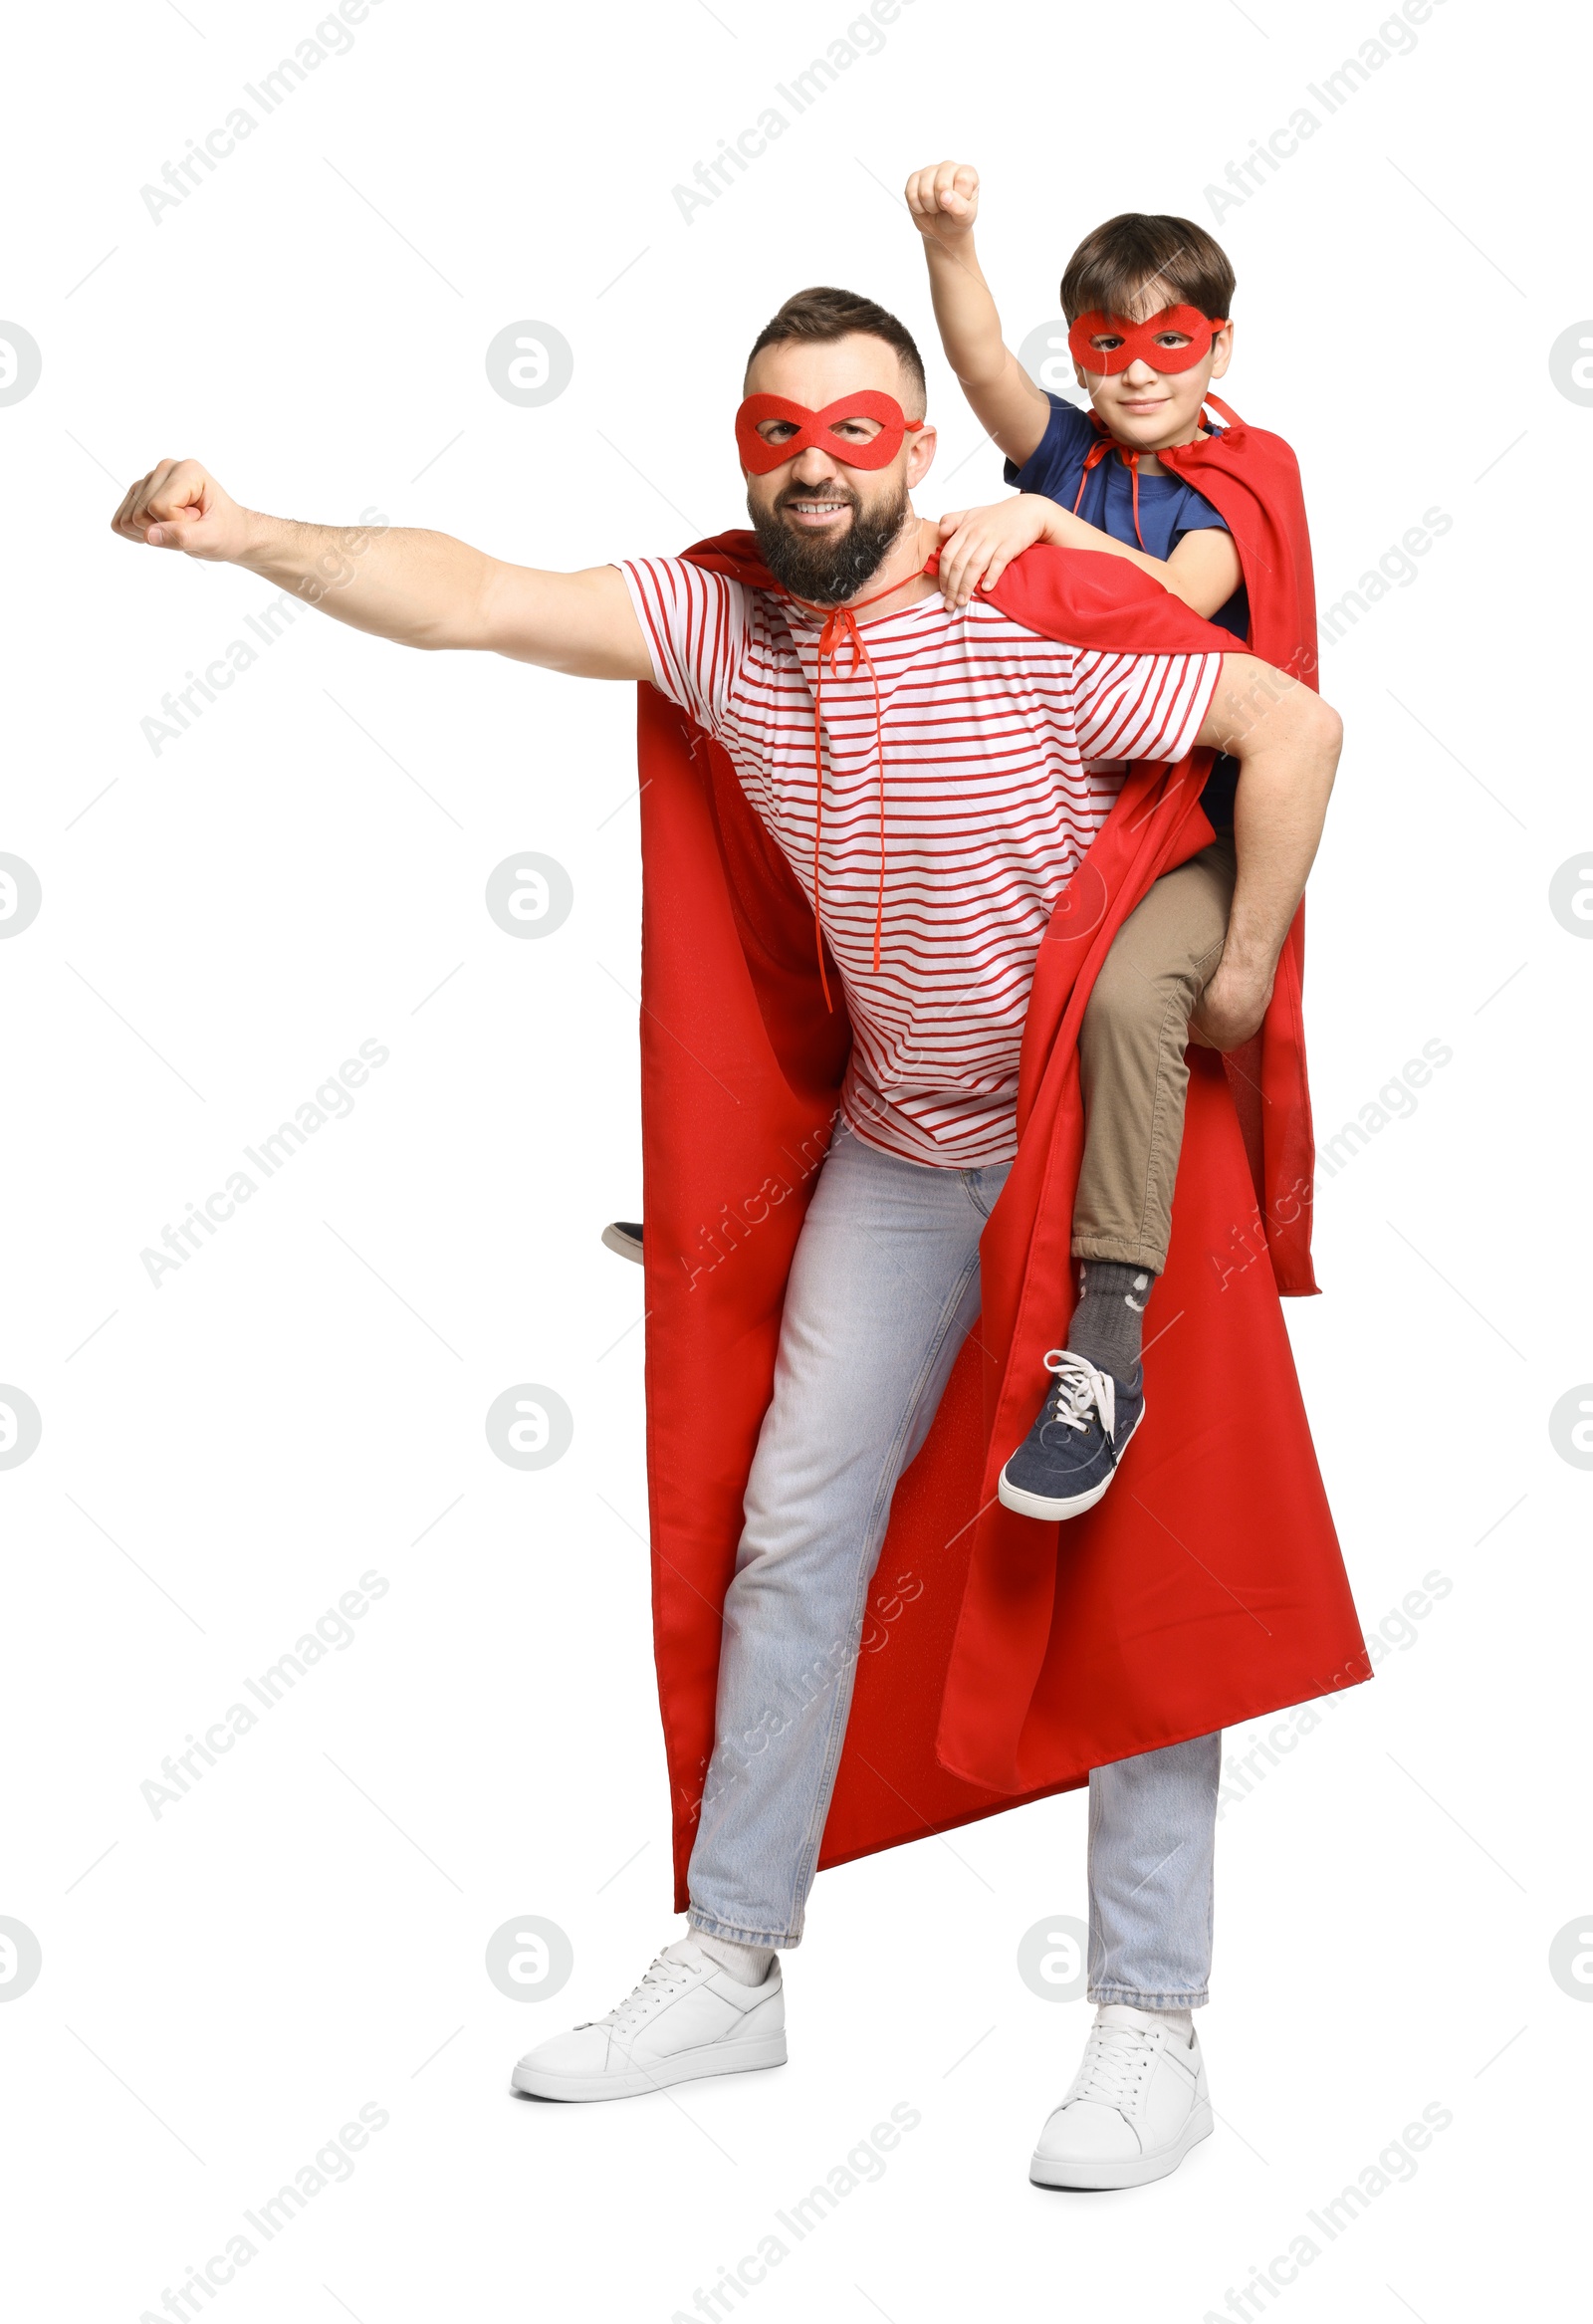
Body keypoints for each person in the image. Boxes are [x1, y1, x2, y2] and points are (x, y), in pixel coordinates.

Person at [109, 284, 1342, 2189]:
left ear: (920, 452)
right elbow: (476, 594)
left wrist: (1241, 967)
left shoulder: (1025, 612)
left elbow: (1285, 719)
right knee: (789, 1526)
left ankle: (1150, 2022)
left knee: (1134, 1571)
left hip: (1095, 1148)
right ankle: (735, 1953)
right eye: (779, 430)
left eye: (859, 430)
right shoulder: (715, 620)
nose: (814, 463)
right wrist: (253, 532)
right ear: (743, 446)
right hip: (898, 1150)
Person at [906, 159, 1302, 1522]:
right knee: (901, 871)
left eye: (1171, 344)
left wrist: (1041, 520)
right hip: (1075, 807)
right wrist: (949, 239)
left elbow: (1180, 605)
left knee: (1128, 996)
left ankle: (1111, 1347)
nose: (1138, 376)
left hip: (1196, 839)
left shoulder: (1236, 487)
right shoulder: (1073, 446)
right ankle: (780, 1207)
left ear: (1220, 346)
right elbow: (973, 361)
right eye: (1107, 348)